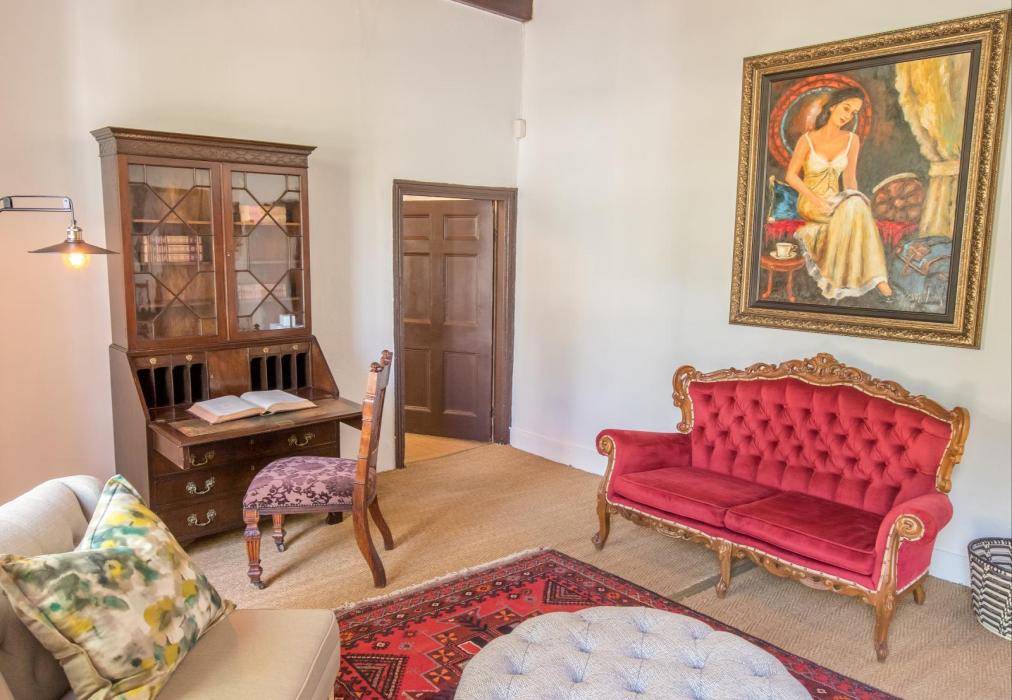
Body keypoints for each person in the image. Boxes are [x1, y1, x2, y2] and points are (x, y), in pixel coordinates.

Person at [785, 87, 892, 300]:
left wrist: (858, 201)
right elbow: (791, 176)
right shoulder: (807, 140)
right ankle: (876, 280)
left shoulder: (852, 140)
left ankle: (878, 278)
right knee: (853, 206)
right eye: (846, 108)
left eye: (853, 113)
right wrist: (817, 200)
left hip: (836, 201)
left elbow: (850, 180)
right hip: (811, 202)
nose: (848, 116)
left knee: (856, 204)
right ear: (833, 106)